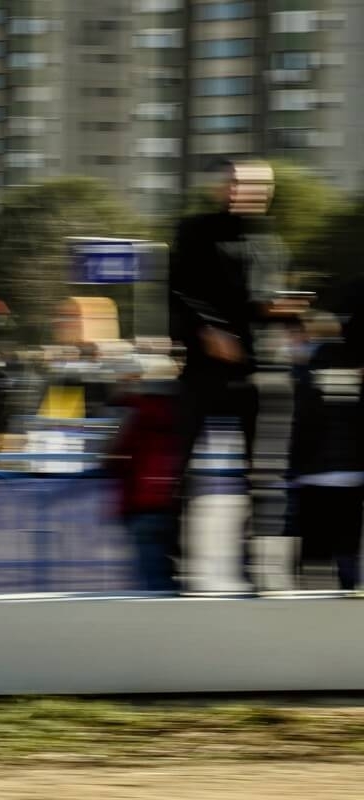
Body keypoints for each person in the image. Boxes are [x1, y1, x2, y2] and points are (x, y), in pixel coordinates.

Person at [169, 158, 303, 585]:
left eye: (258, 186)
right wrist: (206, 331)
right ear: (222, 188)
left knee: (264, 473)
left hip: (259, 371)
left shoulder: (271, 240)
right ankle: (177, 565)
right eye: (238, 183)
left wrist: (286, 313)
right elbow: (177, 293)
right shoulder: (194, 231)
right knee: (182, 468)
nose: (247, 191)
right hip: (203, 370)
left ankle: (260, 567)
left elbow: (259, 302)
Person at [286, 311, 364, 590]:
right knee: (347, 527)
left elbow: (305, 421)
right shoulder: (356, 369)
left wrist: (293, 467)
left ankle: (312, 584)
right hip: (353, 469)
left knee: (314, 528)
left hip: (316, 469)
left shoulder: (311, 371)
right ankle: (348, 580)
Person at [106, 357, 183, 592]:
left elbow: (115, 455)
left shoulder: (137, 412)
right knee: (167, 568)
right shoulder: (182, 412)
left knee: (152, 574)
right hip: (174, 498)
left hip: (141, 500)